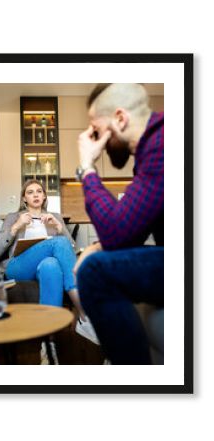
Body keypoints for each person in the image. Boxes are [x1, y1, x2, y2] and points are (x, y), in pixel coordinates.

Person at [74, 83, 164, 364]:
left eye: (96, 130)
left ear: (120, 119)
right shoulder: (153, 149)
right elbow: (128, 232)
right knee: (96, 260)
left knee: (94, 273)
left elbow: (117, 234)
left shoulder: (163, 144)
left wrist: (87, 168)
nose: (94, 139)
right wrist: (99, 245)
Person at [0, 179, 84, 313]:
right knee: (59, 242)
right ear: (24, 198)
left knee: (51, 264)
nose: (35, 195)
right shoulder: (13, 217)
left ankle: (50, 326)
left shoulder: (55, 217)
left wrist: (59, 228)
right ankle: (80, 301)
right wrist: (16, 226)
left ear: (44, 196)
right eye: (30, 192)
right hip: (19, 266)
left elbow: (71, 250)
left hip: (43, 265)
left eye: (39, 191)